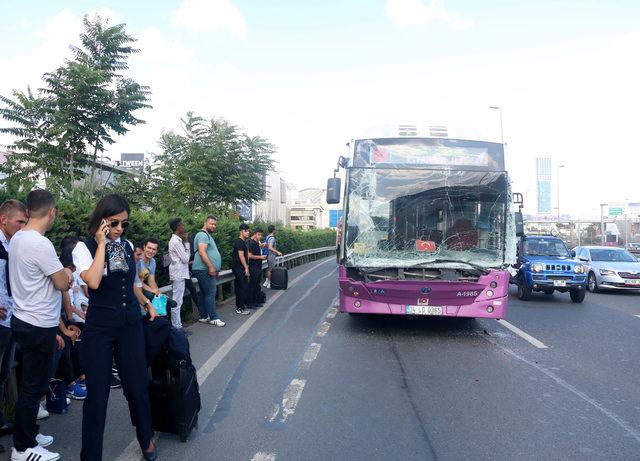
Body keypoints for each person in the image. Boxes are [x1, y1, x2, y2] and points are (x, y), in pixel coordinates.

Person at [71, 194, 159, 461]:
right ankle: (91, 456)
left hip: (129, 325)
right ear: (101, 221)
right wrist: (101, 244)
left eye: (124, 224)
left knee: (137, 387)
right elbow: (94, 282)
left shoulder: (129, 245)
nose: (120, 229)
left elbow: (133, 283)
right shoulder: (83, 248)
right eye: (114, 223)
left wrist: (146, 304)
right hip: (99, 328)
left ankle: (146, 437)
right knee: (97, 397)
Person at [9, 189, 73, 461]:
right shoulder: (40, 243)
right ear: (52, 212)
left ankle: (30, 434)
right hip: (37, 324)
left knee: (31, 384)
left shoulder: (18, 239)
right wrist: (68, 272)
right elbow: (61, 282)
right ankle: (22, 448)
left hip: (24, 319)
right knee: (33, 387)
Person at [0, 200, 28, 453]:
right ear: (4, 220)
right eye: (19, 221)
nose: (22, 227)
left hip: (10, 319)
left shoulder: (13, 245)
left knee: (1, 373)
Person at [192, 216, 226, 326]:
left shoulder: (206, 235)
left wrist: (215, 267)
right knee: (211, 293)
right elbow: (202, 252)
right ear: (205, 223)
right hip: (204, 269)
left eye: (215, 224)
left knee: (203, 293)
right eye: (211, 224)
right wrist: (211, 267)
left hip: (203, 269)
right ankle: (213, 318)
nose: (213, 226)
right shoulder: (202, 235)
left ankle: (203, 316)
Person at [168, 218, 190, 331]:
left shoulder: (176, 240)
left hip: (179, 274)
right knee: (177, 302)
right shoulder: (176, 241)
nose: (184, 227)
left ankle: (178, 326)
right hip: (178, 275)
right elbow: (186, 259)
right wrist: (186, 242)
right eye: (182, 225)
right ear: (178, 227)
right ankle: (176, 328)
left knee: (179, 301)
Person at [232, 224, 252, 316]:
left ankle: (241, 306)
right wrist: (246, 267)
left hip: (240, 268)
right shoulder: (239, 242)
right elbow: (241, 255)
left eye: (248, 231)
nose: (248, 232)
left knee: (242, 287)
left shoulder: (243, 242)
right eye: (246, 231)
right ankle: (239, 308)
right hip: (239, 268)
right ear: (241, 231)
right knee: (242, 288)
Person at [246, 228, 267, 308]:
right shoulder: (250, 243)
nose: (260, 237)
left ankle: (255, 301)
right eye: (259, 235)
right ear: (254, 234)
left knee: (257, 285)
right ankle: (250, 303)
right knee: (252, 285)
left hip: (258, 267)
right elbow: (249, 255)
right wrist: (260, 257)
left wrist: (261, 246)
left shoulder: (256, 242)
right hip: (253, 267)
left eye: (261, 235)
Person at [263, 225, 283, 289]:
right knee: (270, 269)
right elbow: (270, 247)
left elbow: (266, 245)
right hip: (271, 255)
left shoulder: (267, 237)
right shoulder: (272, 238)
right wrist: (278, 252)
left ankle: (266, 281)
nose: (276, 230)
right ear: (273, 230)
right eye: (275, 229)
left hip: (267, 254)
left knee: (268, 268)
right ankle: (269, 283)